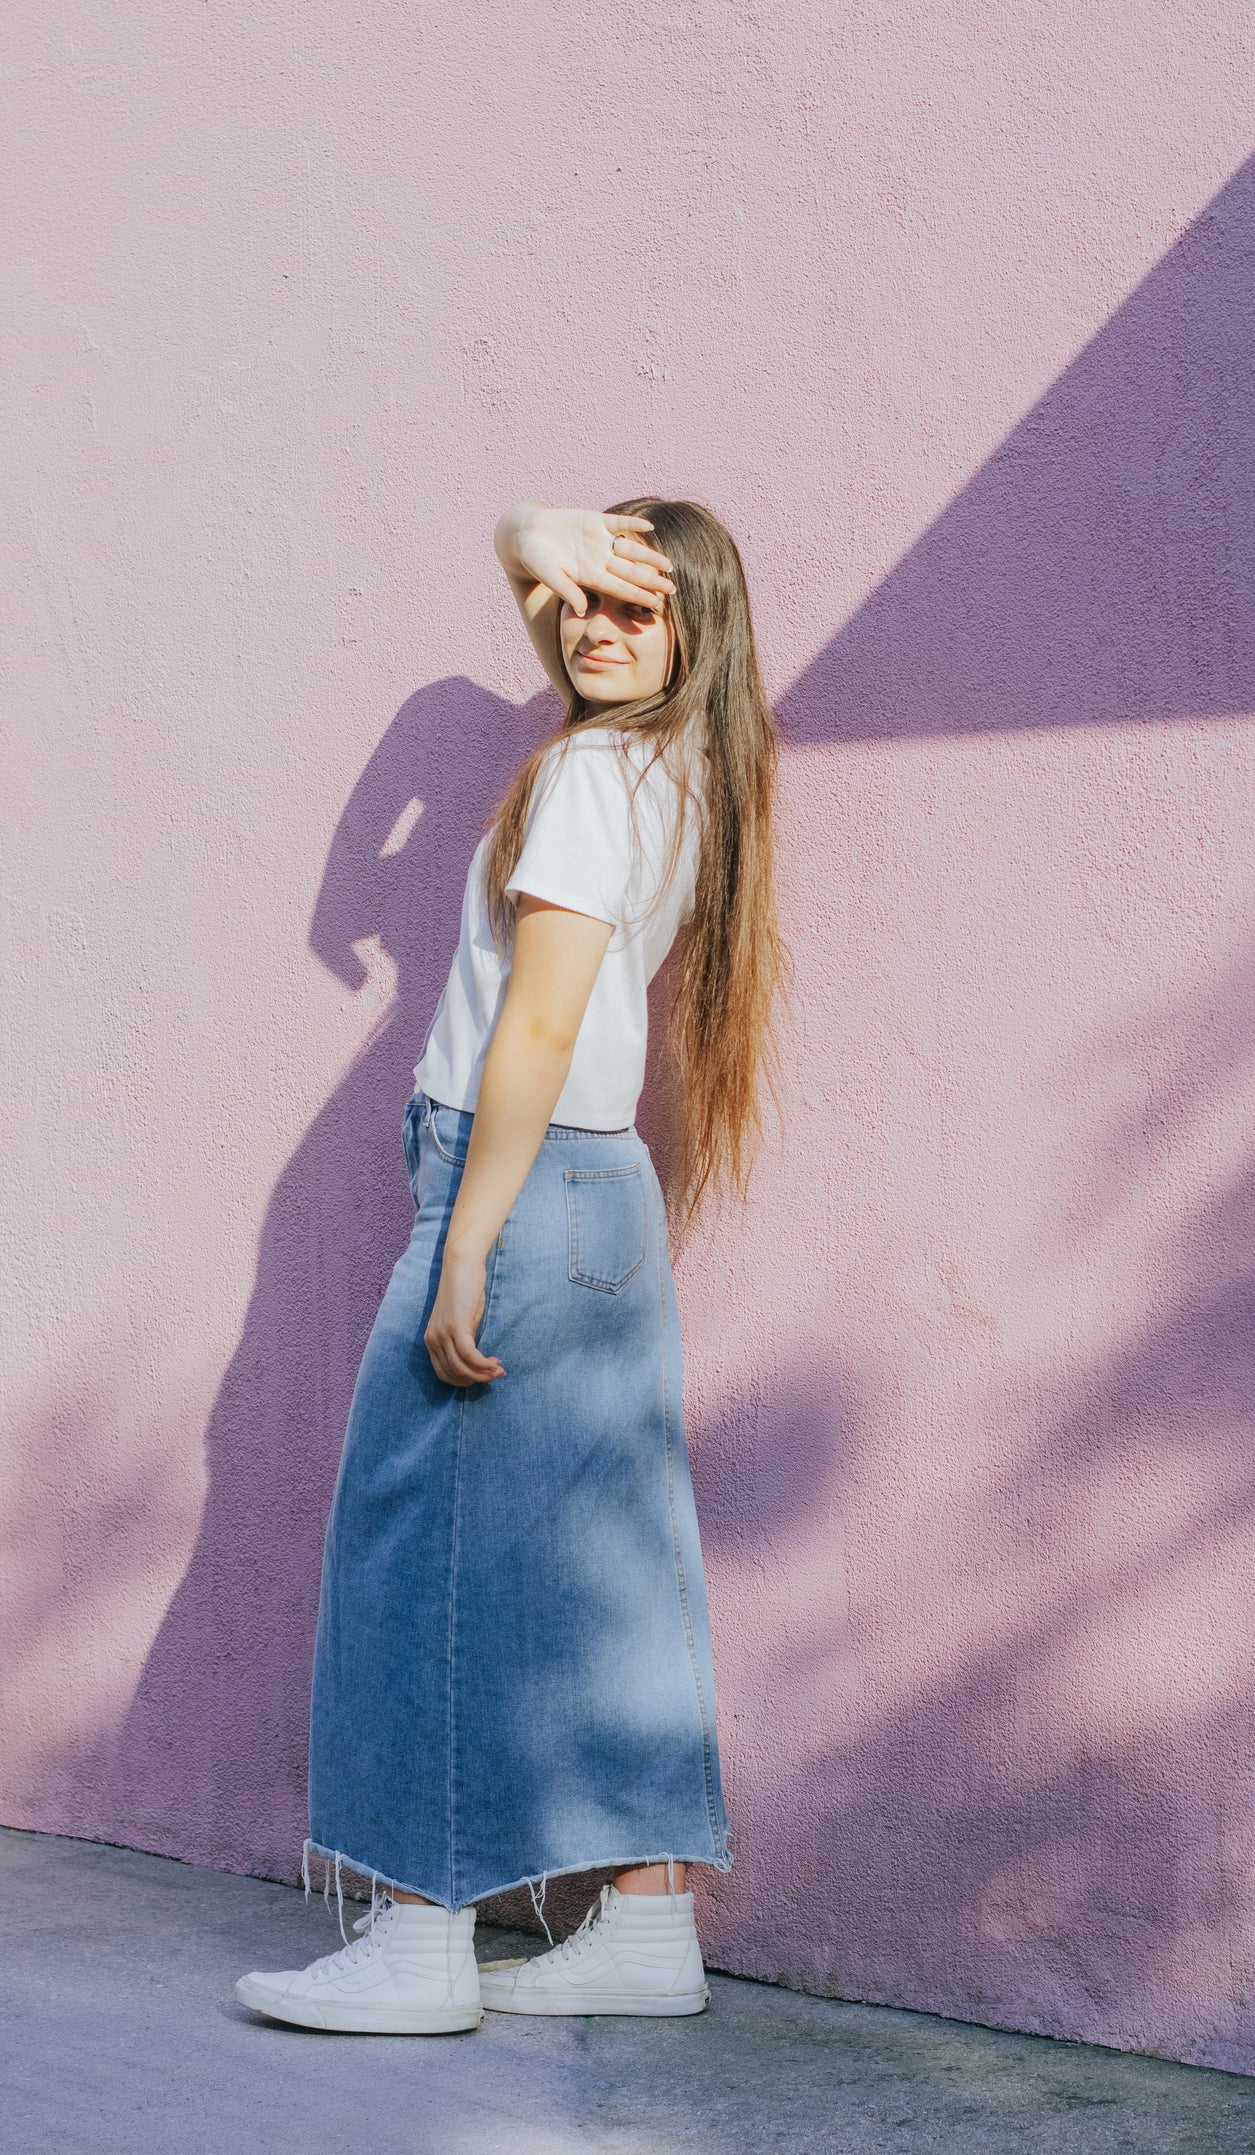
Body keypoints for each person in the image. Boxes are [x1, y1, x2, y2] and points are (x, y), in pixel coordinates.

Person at [237, 498, 786, 2034]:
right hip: (597, 1200)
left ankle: (417, 1941)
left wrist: (463, 1237)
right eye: (583, 603)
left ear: (695, 637)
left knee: (419, 1551)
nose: (594, 627)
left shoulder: (592, 772)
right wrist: (530, 533)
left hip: (517, 1183)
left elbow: (534, 1025)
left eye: (641, 608)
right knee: (614, 1566)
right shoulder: (690, 771)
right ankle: (643, 1925)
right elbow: (529, 563)